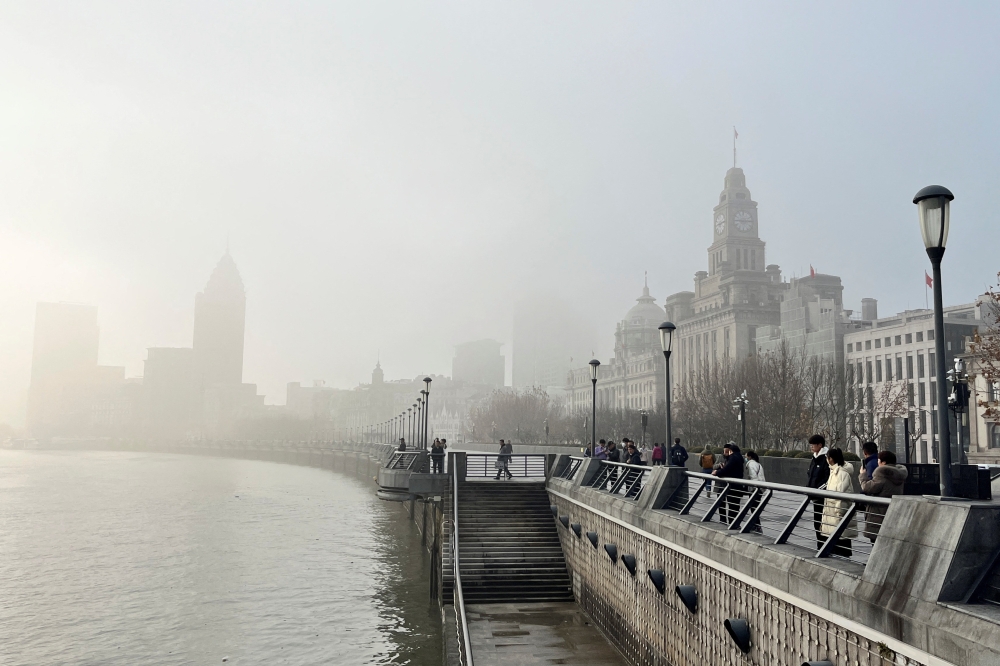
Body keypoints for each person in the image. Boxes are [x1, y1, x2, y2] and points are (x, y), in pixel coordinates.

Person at [860, 450, 908, 541]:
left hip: (878, 513)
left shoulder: (882, 473)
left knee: (876, 541)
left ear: (884, 462)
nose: (877, 463)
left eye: (878, 461)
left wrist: (863, 476)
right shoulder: (899, 474)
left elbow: (867, 487)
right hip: (892, 511)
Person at [821, 447, 857, 557]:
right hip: (833, 511)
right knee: (836, 536)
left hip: (837, 512)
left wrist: (839, 511)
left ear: (831, 459)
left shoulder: (842, 473)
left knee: (841, 536)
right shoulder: (834, 471)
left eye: (827, 457)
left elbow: (841, 494)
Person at [806, 434, 830, 548]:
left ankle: (824, 547)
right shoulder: (814, 458)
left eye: (813, 445)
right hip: (815, 496)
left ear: (820, 445)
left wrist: (817, 490)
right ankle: (820, 546)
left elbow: (827, 478)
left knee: (823, 522)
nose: (811, 447)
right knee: (817, 522)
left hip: (822, 496)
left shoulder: (826, 458)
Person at [713, 442, 744, 524]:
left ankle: (732, 522)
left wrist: (719, 472)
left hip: (731, 485)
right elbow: (714, 466)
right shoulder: (724, 457)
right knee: (726, 504)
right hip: (724, 484)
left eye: (728, 451)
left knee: (732, 504)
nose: (726, 452)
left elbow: (728, 469)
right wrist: (720, 466)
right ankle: (726, 520)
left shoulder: (733, 458)